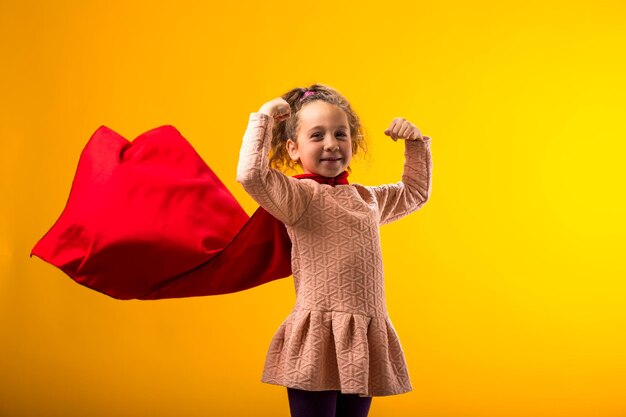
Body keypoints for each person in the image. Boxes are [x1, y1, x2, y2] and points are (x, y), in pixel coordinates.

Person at [236, 84, 433, 417]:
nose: (331, 144)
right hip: (318, 336)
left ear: (352, 143)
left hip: (363, 335)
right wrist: (264, 119)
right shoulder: (299, 197)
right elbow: (251, 175)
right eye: (317, 136)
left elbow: (415, 193)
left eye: (340, 134)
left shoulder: (367, 199)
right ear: (293, 149)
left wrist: (415, 144)